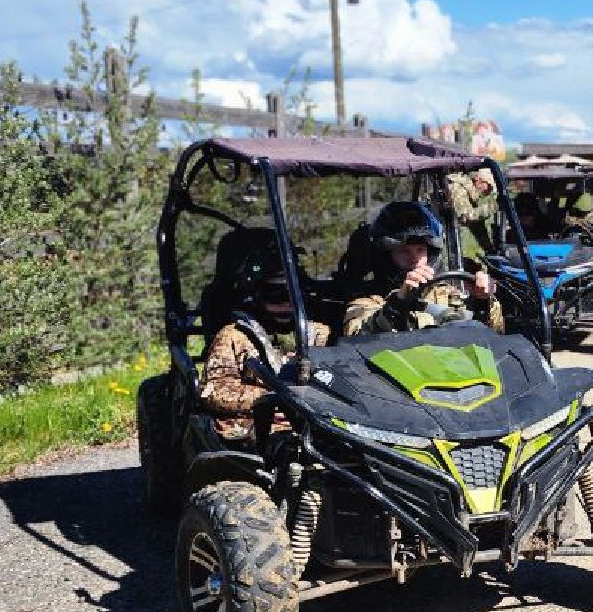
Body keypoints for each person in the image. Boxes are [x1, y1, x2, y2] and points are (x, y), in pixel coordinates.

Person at [200, 240, 329, 442]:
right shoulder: (235, 335)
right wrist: (269, 398)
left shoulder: (320, 334)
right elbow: (214, 390)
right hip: (261, 424)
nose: (286, 304)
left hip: (317, 420)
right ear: (257, 295)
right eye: (276, 296)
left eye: (293, 296)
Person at [343, 201, 503, 336]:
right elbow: (357, 335)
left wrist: (483, 301)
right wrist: (398, 304)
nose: (414, 259)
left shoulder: (448, 295)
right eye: (403, 251)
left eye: (420, 250)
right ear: (386, 256)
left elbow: (492, 335)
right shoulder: (368, 301)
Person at [442, 167, 499, 257]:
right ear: (478, 180)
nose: (489, 191)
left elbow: (477, 226)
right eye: (489, 186)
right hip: (445, 242)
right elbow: (466, 217)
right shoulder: (457, 187)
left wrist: (490, 251)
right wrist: (493, 207)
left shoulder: (470, 193)